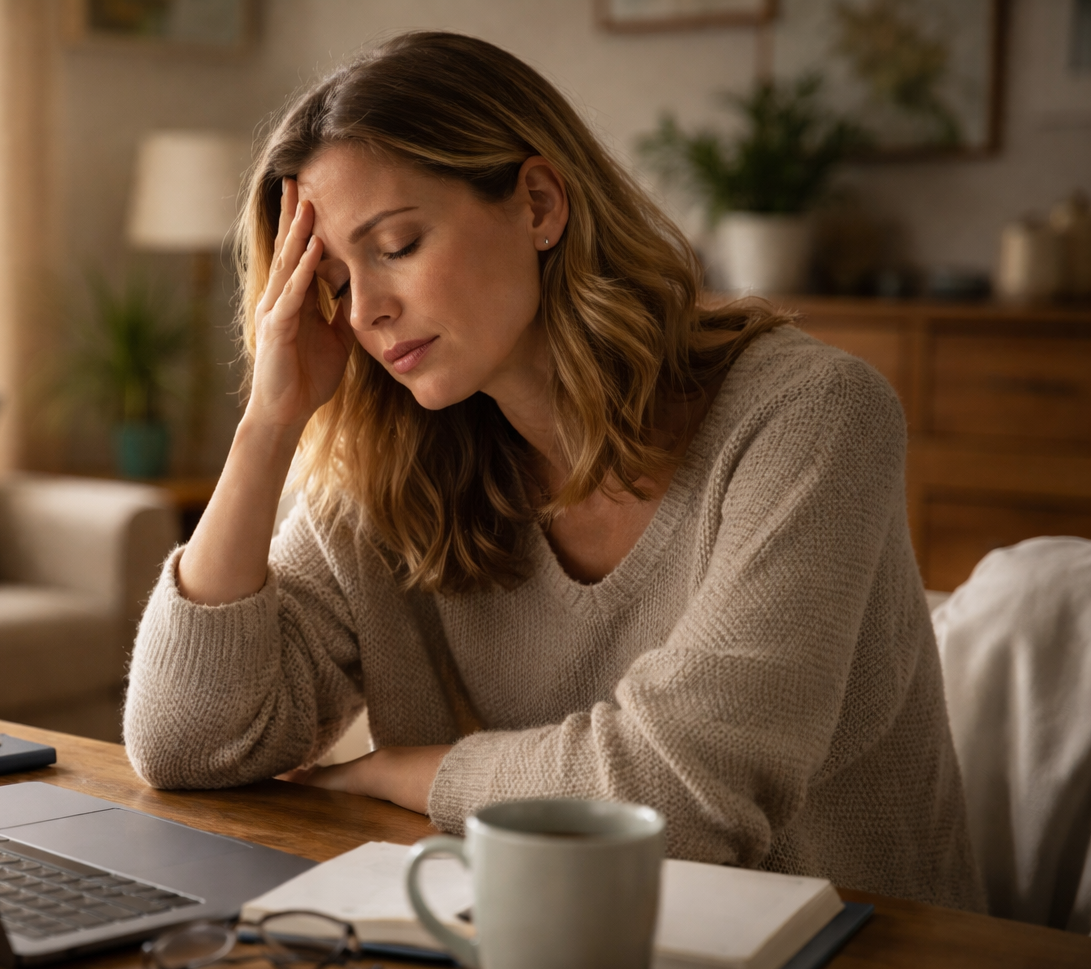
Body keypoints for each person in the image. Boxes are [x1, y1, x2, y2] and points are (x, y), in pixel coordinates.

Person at [124, 31, 984, 911]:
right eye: (335, 282)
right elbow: (189, 743)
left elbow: (684, 792)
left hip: (856, 968)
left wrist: (414, 774)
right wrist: (269, 425)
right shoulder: (387, 468)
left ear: (538, 203)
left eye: (398, 245)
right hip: (535, 947)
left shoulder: (811, 415)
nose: (370, 312)